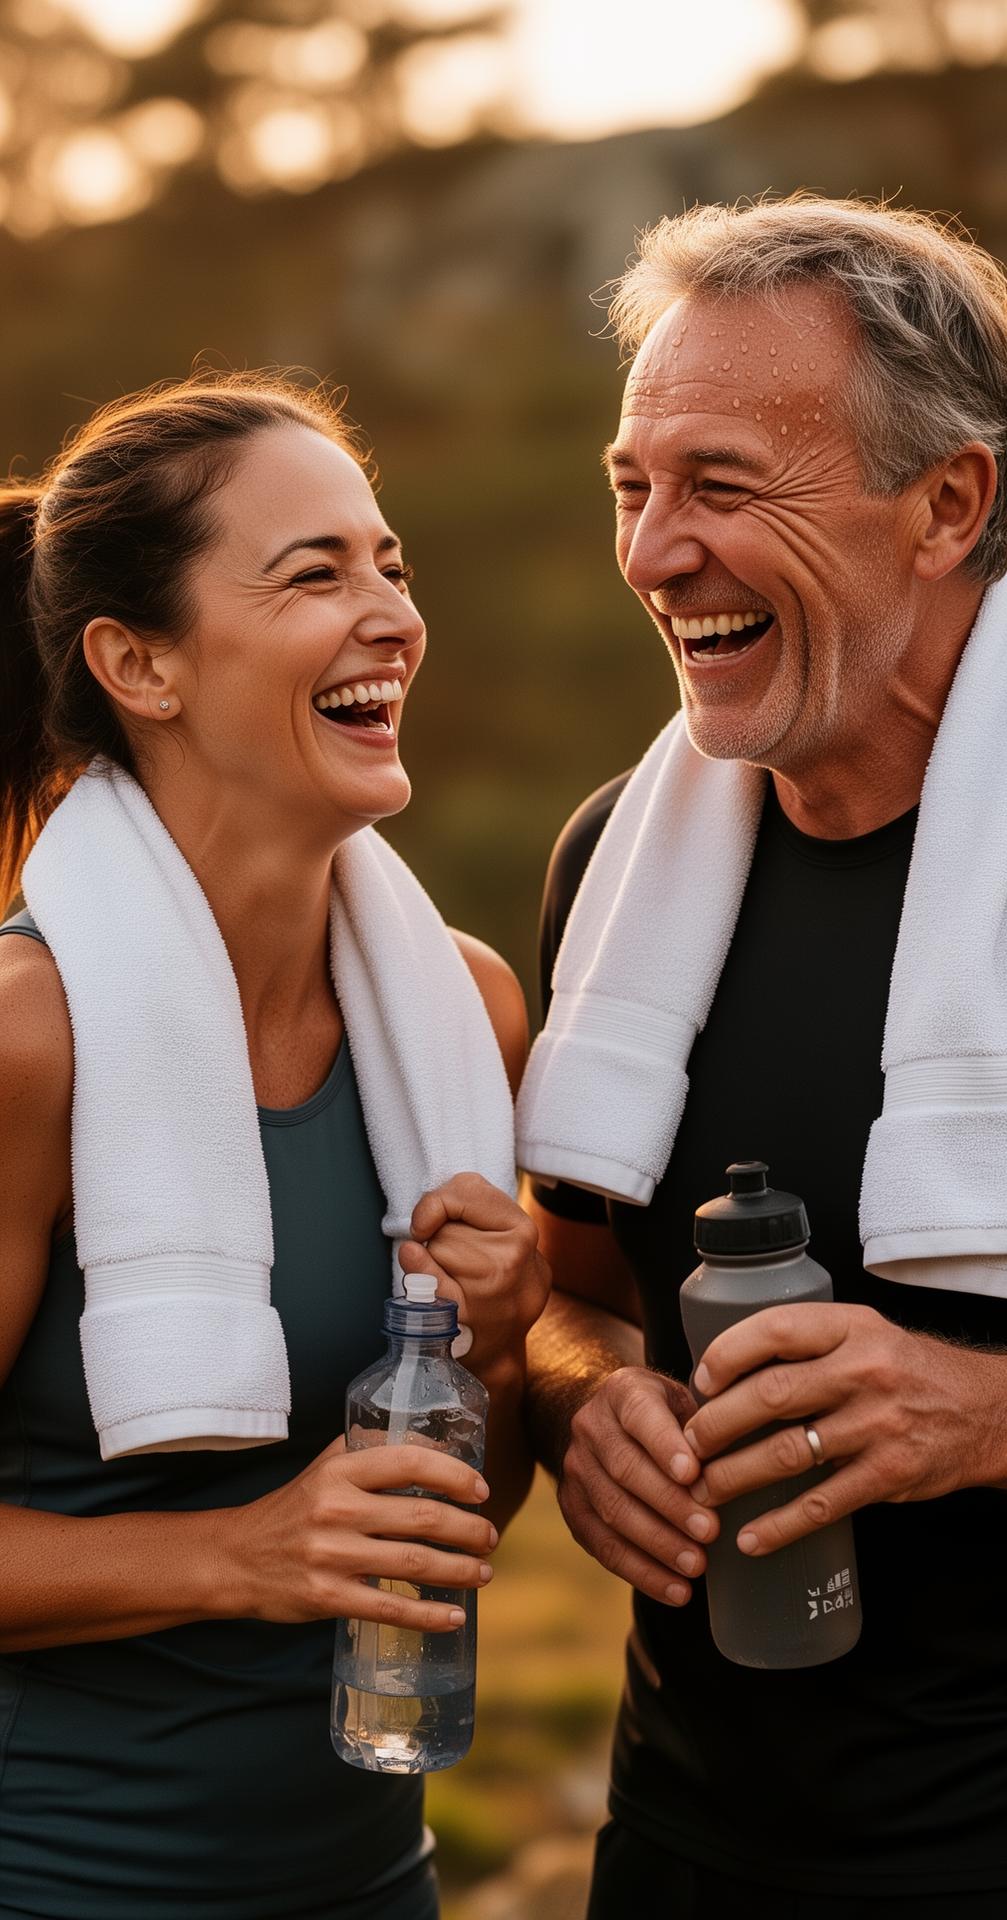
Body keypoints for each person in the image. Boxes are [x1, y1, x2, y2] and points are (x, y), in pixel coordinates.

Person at [518, 197, 1007, 1917]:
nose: (656, 551)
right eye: (635, 486)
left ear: (948, 504)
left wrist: (988, 1412)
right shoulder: (614, 859)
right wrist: (584, 1400)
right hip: (688, 1841)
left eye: (724, 483)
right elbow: (570, 1292)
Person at [0, 371, 549, 1920]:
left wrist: (499, 1353)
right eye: (316, 573)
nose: (390, 613)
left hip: (373, 1876)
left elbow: (450, 1516)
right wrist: (236, 1556)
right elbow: (286, 1552)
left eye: (392, 565)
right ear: (139, 664)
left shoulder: (461, 1011)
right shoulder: (26, 1038)